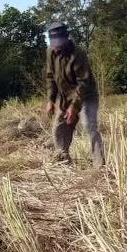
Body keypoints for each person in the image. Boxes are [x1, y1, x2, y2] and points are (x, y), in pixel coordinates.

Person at [44, 22, 105, 168]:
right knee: (59, 128)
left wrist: (74, 106)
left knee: (88, 125)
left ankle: (99, 165)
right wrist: (51, 100)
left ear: (66, 38)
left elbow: (83, 82)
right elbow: (50, 76)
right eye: (54, 43)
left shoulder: (78, 53)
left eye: (60, 42)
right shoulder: (50, 52)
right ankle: (62, 159)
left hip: (86, 96)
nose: (57, 46)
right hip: (66, 97)